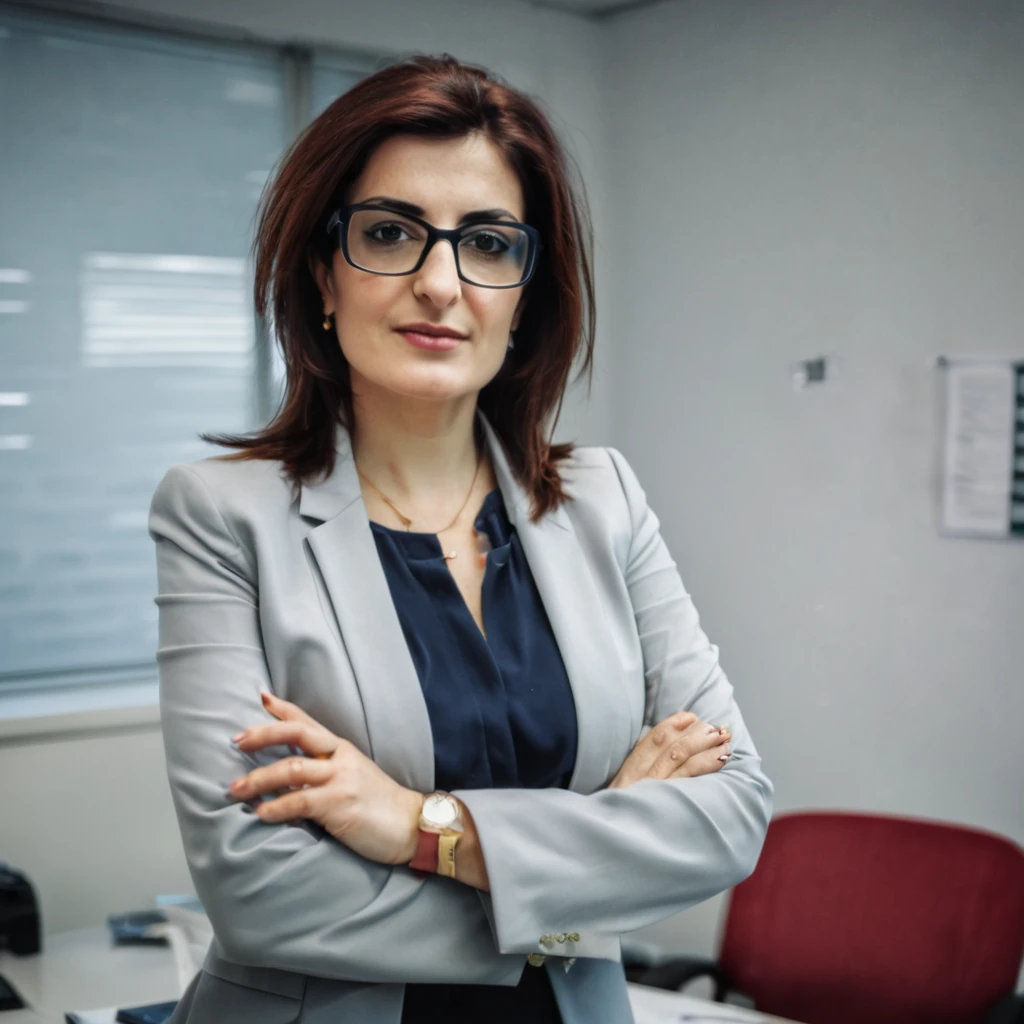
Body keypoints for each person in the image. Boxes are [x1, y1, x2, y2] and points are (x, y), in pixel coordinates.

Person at [148, 53, 773, 1024]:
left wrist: (413, 824)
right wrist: (589, 870)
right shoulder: (222, 513)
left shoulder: (604, 500)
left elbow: (729, 817)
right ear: (322, 271)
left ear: (525, 293)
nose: (441, 282)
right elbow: (260, 891)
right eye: (391, 232)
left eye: (486, 243)